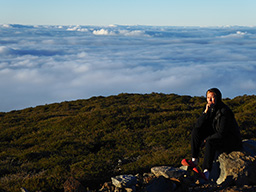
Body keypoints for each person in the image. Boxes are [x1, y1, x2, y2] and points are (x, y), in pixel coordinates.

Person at [183, 88, 242, 180]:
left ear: (218, 98)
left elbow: (222, 133)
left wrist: (206, 139)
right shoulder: (208, 108)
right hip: (217, 135)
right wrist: (205, 113)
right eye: (208, 97)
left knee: (210, 141)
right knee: (196, 131)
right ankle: (194, 160)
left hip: (230, 140)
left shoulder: (224, 111)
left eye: (212, 97)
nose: (210, 100)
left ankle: (206, 173)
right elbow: (198, 126)